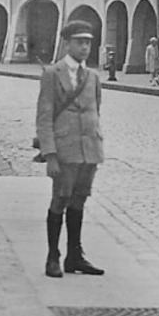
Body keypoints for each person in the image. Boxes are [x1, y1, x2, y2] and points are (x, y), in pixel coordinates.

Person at [36, 20, 106, 278]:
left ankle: (74, 255)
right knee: (60, 199)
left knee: (80, 199)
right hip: (64, 150)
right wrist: (50, 154)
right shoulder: (53, 74)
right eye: (79, 42)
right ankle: (52, 256)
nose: (85, 47)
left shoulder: (93, 77)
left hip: (89, 148)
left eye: (88, 42)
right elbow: (44, 117)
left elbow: (95, 111)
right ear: (67, 43)